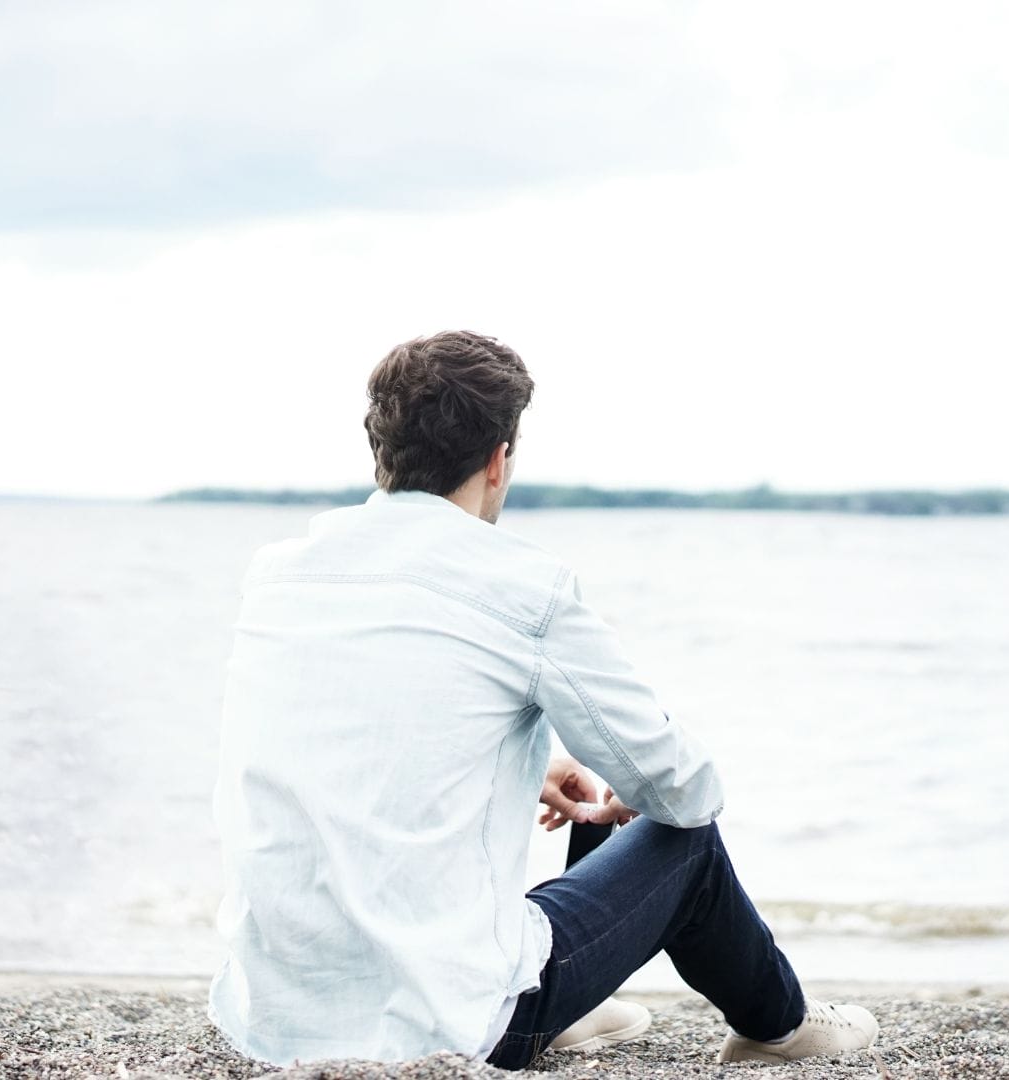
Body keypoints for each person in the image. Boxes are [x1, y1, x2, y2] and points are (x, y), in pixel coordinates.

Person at [206, 330, 879, 1069]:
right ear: (499, 460)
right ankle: (779, 1027)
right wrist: (636, 787)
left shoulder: (279, 574)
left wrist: (527, 765)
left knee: (600, 801)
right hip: (452, 1022)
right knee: (687, 845)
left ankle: (574, 1003)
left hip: (272, 1015)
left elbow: (359, 744)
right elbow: (685, 789)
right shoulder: (522, 587)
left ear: (381, 451)